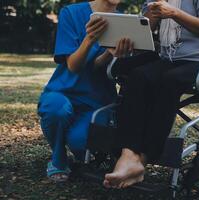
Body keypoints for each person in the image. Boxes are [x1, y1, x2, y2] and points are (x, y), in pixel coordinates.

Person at [103, 0, 199, 189]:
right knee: (137, 76)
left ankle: (142, 160)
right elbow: (146, 29)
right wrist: (150, 17)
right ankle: (127, 156)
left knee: (170, 80)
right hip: (168, 57)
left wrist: (174, 13)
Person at [37, 0, 133, 182]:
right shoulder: (71, 13)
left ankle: (73, 141)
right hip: (63, 90)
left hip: (97, 98)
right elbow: (74, 65)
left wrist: (110, 54)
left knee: (80, 142)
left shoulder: (125, 23)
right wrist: (89, 39)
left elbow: (95, 65)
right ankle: (58, 158)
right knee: (55, 109)